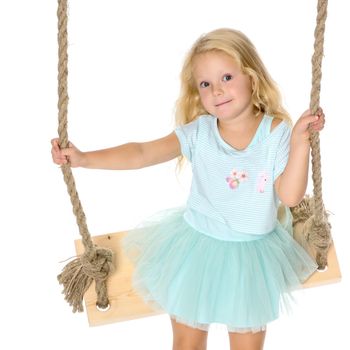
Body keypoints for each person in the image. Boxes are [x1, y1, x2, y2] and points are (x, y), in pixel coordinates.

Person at [51, 28, 325, 350]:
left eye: (226, 77)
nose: (217, 91)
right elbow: (141, 153)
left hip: (253, 254)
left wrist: (299, 143)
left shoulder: (276, 132)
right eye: (205, 84)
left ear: (252, 76)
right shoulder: (200, 132)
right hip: (195, 247)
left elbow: (290, 196)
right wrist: (85, 159)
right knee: (186, 343)